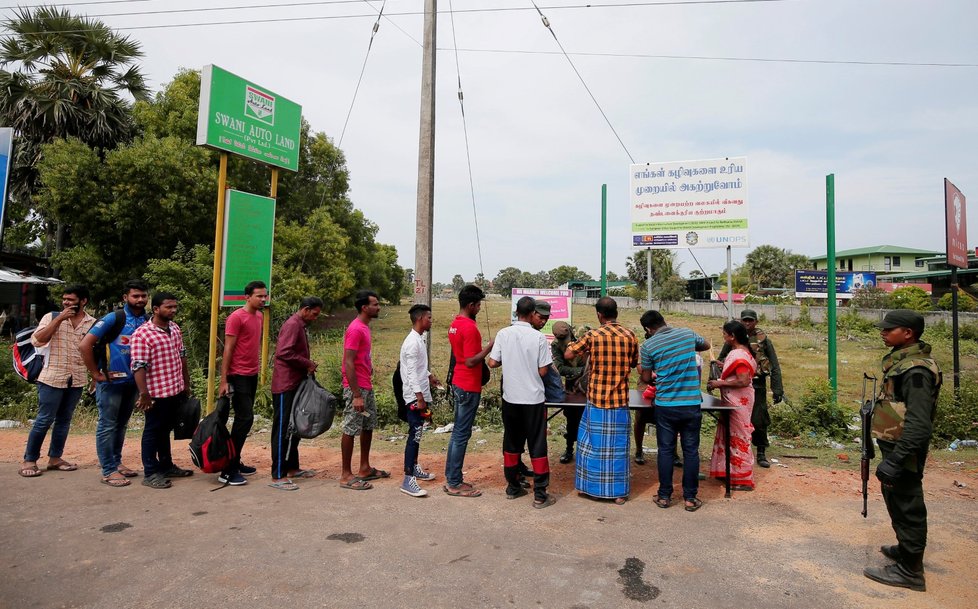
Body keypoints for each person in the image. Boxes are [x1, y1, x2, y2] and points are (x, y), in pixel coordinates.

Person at [863, 310, 941, 592]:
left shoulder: (916, 370)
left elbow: (919, 424)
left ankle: (911, 571)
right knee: (896, 498)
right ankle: (906, 549)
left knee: (908, 504)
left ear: (908, 333)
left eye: (889, 329)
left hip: (905, 450)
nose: (883, 332)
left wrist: (897, 459)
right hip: (897, 447)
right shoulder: (903, 362)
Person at [564, 297, 638, 505]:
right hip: (619, 401)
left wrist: (585, 348)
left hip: (596, 399)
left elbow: (569, 354)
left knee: (591, 445)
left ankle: (590, 488)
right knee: (618, 449)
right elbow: (633, 363)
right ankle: (618, 493)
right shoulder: (630, 335)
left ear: (599, 315)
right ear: (617, 313)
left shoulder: (592, 335)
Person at [18, 285, 96, 479]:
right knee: (44, 419)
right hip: (51, 376)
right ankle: (30, 459)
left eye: (71, 300)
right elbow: (37, 341)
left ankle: (55, 458)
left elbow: (95, 351)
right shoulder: (51, 317)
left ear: (83, 301)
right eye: (65, 299)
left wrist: (96, 375)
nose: (66, 303)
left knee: (64, 421)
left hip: (77, 378)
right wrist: (60, 318)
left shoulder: (93, 323)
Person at [79, 279, 150, 487]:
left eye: (143, 296)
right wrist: (95, 373)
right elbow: (85, 345)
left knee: (121, 425)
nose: (140, 300)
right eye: (135, 296)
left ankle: (117, 463)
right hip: (111, 383)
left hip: (133, 383)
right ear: (125, 297)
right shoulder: (114, 318)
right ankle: (108, 470)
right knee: (107, 424)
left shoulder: (146, 320)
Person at [488, 297, 556, 508]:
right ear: (532, 313)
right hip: (533, 399)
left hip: (511, 398)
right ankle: (540, 494)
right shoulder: (538, 338)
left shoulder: (503, 333)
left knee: (512, 442)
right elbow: (543, 370)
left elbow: (492, 363)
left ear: (517, 312)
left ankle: (513, 486)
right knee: (537, 444)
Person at [640, 310, 710, 512]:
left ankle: (664, 496)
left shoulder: (648, 345)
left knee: (666, 450)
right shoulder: (687, 334)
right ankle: (690, 498)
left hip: (666, 405)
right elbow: (705, 345)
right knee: (690, 451)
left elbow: (645, 378)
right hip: (690, 404)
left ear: (648, 329)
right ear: (664, 321)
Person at [130, 292, 194, 489]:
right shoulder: (143, 334)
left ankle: (166, 465)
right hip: (155, 393)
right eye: (168, 307)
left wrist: (186, 382)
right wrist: (144, 394)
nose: (173, 310)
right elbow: (138, 366)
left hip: (174, 389)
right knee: (152, 431)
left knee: (165, 430)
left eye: (175, 307)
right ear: (156, 309)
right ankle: (150, 472)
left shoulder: (174, 328)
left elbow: (181, 355)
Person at [216, 280, 269, 486]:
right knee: (244, 419)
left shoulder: (260, 316)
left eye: (265, 296)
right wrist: (224, 380)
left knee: (244, 420)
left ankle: (235, 461)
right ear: (247, 297)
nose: (263, 299)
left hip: (251, 374)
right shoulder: (236, 317)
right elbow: (227, 349)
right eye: (259, 296)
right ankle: (227, 470)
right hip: (237, 375)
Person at [444, 284, 494, 498]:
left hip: (459, 382)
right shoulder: (470, 328)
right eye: (479, 304)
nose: (480, 308)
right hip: (468, 385)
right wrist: (489, 347)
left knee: (457, 433)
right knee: (461, 435)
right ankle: (454, 482)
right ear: (471, 305)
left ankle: (451, 478)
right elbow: (472, 361)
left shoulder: (455, 324)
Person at [269, 296, 322, 491]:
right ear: (305, 309)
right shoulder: (293, 324)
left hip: (295, 383)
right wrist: (307, 363)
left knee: (294, 427)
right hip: (285, 385)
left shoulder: (300, 325)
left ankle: (292, 467)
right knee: (283, 428)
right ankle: (278, 475)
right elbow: (283, 352)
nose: (315, 318)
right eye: (314, 314)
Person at [718, 309, 783, 468]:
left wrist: (777, 388)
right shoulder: (735, 339)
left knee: (759, 419)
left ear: (756, 322)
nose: (747, 323)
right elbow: (720, 359)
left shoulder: (763, 339)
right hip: (736, 386)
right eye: (745, 320)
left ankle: (761, 452)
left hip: (757, 383)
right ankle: (736, 452)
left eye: (750, 320)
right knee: (736, 420)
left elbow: (774, 364)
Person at [339, 290, 384, 490]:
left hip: (365, 384)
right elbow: (348, 362)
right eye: (375, 304)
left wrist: (369, 365)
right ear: (364, 307)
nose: (378, 307)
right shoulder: (356, 328)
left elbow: (360, 356)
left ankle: (364, 468)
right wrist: (356, 394)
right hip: (356, 388)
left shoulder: (365, 327)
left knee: (367, 425)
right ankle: (345, 474)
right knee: (350, 427)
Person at [707, 320, 757, 490]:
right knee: (730, 434)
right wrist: (721, 366)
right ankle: (729, 472)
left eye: (724, 333)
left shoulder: (739, 355)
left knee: (739, 436)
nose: (723, 336)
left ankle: (742, 478)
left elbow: (743, 380)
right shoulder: (742, 352)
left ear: (732, 336)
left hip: (738, 402)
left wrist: (719, 383)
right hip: (735, 400)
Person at [398, 304, 440, 497]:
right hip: (414, 395)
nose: (431, 321)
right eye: (429, 318)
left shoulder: (419, 339)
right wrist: (419, 397)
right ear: (420, 319)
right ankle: (408, 479)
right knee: (414, 436)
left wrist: (430, 376)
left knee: (418, 433)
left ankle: (414, 468)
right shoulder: (412, 343)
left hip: (419, 391)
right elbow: (410, 373)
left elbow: (419, 367)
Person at [551, 320, 586, 464]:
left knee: (588, 418)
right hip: (572, 387)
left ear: (571, 331)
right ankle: (569, 448)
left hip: (589, 386)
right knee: (571, 418)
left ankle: (585, 451)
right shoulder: (556, 345)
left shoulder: (584, 336)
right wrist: (581, 371)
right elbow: (560, 368)